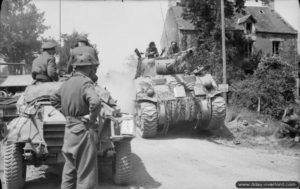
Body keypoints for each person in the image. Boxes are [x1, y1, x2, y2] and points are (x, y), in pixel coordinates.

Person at [52, 53, 101, 189]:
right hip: (82, 131)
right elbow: (96, 102)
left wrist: (67, 114)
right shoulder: (85, 82)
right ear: (89, 68)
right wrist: (91, 118)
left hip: (69, 131)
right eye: (92, 68)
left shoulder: (67, 83)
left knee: (69, 171)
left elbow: (53, 99)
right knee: (86, 174)